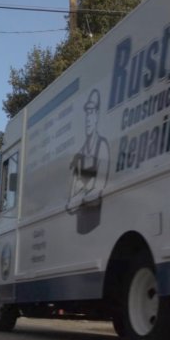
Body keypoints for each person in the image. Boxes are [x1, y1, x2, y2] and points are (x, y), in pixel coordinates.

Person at [66, 88, 110, 234]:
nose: (88, 119)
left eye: (92, 112)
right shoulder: (79, 155)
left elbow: (99, 190)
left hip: (97, 231)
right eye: (87, 113)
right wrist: (84, 194)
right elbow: (70, 204)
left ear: (97, 115)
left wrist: (81, 195)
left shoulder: (102, 147)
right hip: (78, 235)